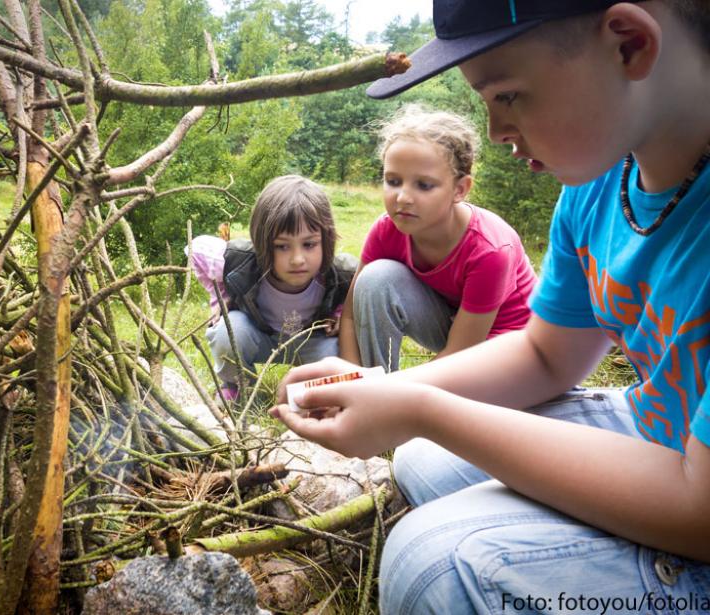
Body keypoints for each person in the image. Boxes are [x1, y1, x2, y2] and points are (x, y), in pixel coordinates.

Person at [270, 0, 710, 612]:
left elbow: (701, 510)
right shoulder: (599, 188)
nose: (496, 132)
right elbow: (545, 354)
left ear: (629, 44)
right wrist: (384, 388)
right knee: (424, 459)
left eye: (507, 95)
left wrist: (425, 406)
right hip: (665, 426)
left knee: (432, 566)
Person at [339, 104, 537, 371]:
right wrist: (351, 379)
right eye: (393, 181)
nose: (403, 197)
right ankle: (374, 385)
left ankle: (384, 401)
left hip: (509, 347)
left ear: (460, 189)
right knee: (375, 278)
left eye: (424, 185)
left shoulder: (489, 250)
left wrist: (391, 397)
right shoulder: (387, 230)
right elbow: (350, 317)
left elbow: (459, 355)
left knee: (457, 405)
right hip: (456, 327)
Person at [188, 175, 356, 402]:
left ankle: (313, 396)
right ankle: (240, 390)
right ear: (262, 243)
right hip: (259, 336)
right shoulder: (242, 261)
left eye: (309, 244)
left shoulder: (341, 273)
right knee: (227, 332)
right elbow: (195, 249)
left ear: (326, 240)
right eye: (282, 246)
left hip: (311, 341)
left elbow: (361, 290)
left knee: (338, 353)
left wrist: (340, 314)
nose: (297, 259)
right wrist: (220, 298)